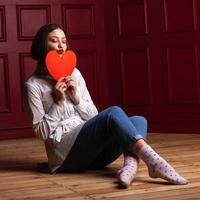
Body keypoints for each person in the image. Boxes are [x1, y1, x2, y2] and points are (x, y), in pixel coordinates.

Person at [23, 23, 188, 188]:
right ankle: (155, 162)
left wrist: (75, 98)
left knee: (138, 120)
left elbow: (93, 117)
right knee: (113, 112)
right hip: (66, 158)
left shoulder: (75, 73)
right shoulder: (33, 85)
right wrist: (58, 102)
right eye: (54, 40)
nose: (61, 46)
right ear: (42, 45)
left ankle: (130, 167)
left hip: (95, 157)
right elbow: (41, 133)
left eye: (64, 41)